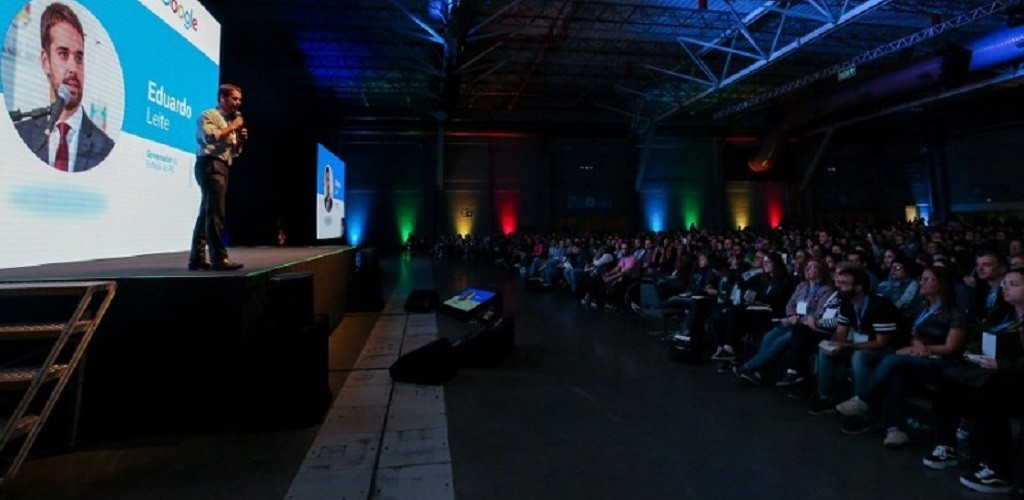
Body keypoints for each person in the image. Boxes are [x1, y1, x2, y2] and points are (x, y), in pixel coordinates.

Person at [924, 268, 1024, 494]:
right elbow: (979, 335)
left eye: (1014, 284)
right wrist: (972, 352)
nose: (1006, 288)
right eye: (1005, 284)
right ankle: (946, 445)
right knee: (949, 379)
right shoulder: (1002, 313)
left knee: (992, 392)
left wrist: (1002, 364)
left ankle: (999, 470)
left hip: (1015, 378)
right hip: (992, 371)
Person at [14, 2, 114, 172]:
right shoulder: (19, 136)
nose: (73, 68)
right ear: (45, 62)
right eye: (63, 54)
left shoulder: (106, 149)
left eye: (79, 58)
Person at [188, 83, 247, 271]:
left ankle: (197, 258)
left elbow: (234, 152)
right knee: (215, 214)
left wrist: (240, 140)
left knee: (207, 213)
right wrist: (233, 127)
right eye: (234, 98)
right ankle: (218, 258)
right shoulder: (209, 116)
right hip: (210, 164)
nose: (238, 103)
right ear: (222, 98)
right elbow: (210, 137)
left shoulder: (229, 121)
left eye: (239, 100)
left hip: (221, 166)